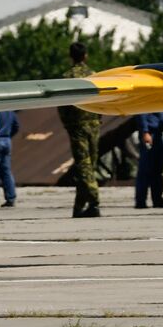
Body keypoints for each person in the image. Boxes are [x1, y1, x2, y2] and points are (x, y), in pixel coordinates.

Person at [57, 41, 101, 218]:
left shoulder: (68, 77)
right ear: (86, 56)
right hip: (94, 124)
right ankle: (81, 205)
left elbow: (62, 105)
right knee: (90, 165)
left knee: (84, 166)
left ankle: (93, 200)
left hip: (77, 126)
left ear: (70, 56)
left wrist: (67, 124)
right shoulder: (95, 76)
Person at [135, 111, 163, 208]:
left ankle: (157, 199)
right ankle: (140, 201)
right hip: (149, 134)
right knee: (145, 169)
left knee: (157, 169)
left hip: (158, 136)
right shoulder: (149, 97)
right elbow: (141, 113)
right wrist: (145, 131)